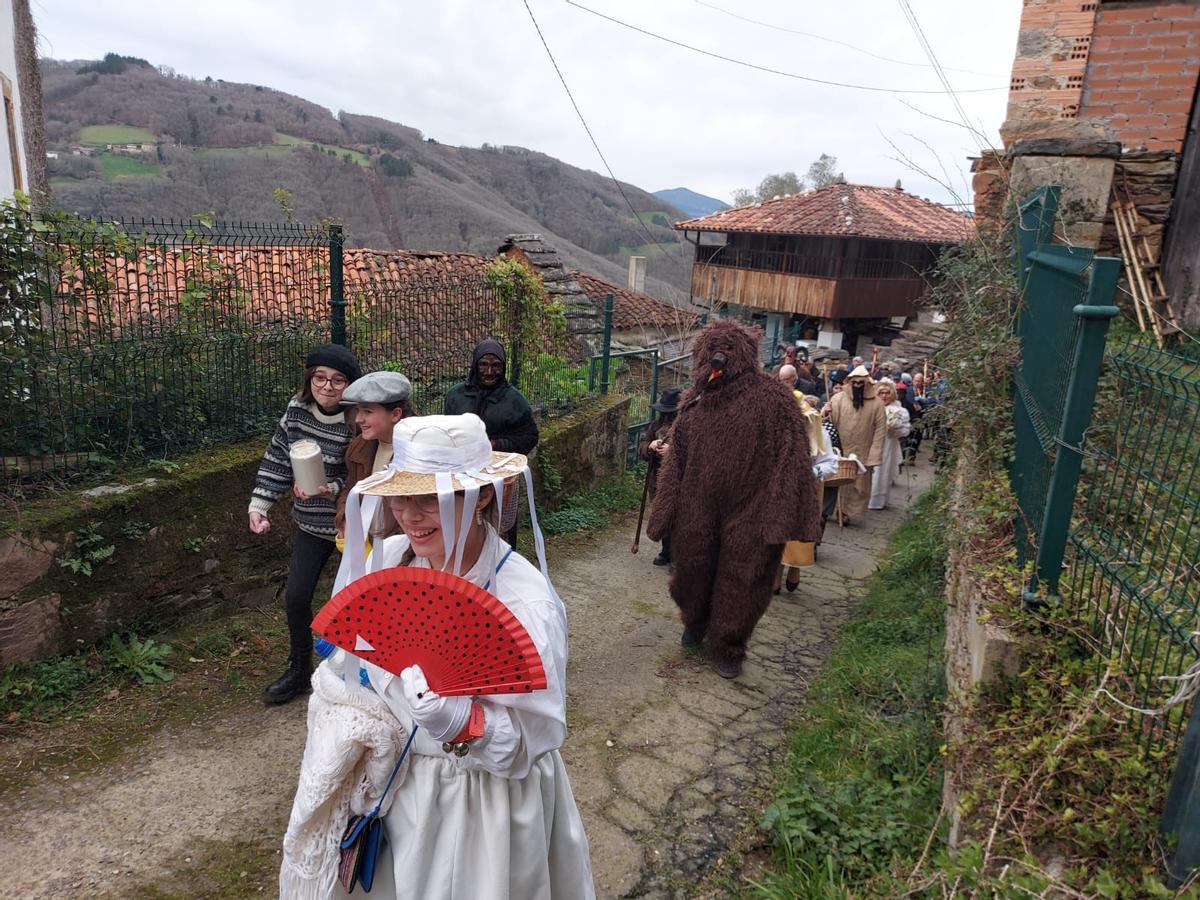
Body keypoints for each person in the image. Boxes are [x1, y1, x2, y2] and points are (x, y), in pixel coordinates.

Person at [280, 414, 595, 899]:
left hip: (482, 805)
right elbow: (348, 658)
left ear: (481, 495)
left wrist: (458, 721)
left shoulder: (523, 602)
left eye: (429, 497)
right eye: (401, 496)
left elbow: (534, 743)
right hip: (398, 788)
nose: (409, 515)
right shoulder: (388, 559)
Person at [647, 319, 821, 679]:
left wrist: (789, 515)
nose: (719, 357)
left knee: (744, 575)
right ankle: (695, 621)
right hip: (698, 503)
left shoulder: (774, 399)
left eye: (726, 350)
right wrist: (664, 511)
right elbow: (676, 455)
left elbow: (794, 456)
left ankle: (729, 644)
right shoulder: (696, 400)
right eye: (711, 350)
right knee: (692, 567)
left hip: (753, 506)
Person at [249, 343, 361, 705]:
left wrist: (335, 488)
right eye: (320, 378)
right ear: (309, 379)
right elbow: (279, 456)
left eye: (338, 380)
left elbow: (363, 470)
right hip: (311, 524)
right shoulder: (297, 411)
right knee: (297, 597)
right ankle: (299, 670)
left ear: (350, 384)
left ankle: (351, 675)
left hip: (351, 525)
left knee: (347, 604)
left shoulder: (357, 417)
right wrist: (260, 504)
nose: (327, 387)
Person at [443, 339, 538, 547]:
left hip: (499, 477)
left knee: (498, 528)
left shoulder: (514, 400)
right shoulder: (456, 395)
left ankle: (500, 567)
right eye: (483, 365)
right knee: (461, 523)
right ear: (475, 365)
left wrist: (494, 444)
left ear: (503, 367)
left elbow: (530, 437)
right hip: (461, 473)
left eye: (496, 366)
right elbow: (445, 430)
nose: (488, 371)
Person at [334, 371, 417, 542]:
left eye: (368, 412)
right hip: (367, 545)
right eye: (358, 410)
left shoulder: (420, 453)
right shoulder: (359, 447)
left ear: (395, 414)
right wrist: (345, 518)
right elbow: (350, 489)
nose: (358, 419)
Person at [778, 391, 839, 592]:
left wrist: (811, 472)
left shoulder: (819, 433)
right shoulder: (776, 430)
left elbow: (830, 463)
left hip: (807, 490)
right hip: (779, 488)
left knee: (799, 535)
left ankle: (795, 568)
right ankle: (774, 575)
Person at [827, 365, 887, 522]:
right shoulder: (838, 399)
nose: (858, 385)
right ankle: (836, 510)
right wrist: (825, 412)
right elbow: (828, 423)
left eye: (861, 382)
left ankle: (847, 512)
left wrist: (874, 455)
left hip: (863, 450)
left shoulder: (877, 404)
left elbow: (880, 431)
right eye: (855, 382)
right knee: (837, 480)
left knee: (858, 485)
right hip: (840, 448)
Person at [637, 386, 681, 567]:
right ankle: (667, 551)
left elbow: (696, 452)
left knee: (679, 517)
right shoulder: (656, 425)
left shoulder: (687, 426)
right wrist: (650, 446)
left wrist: (672, 451)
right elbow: (642, 446)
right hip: (657, 480)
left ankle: (679, 556)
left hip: (679, 481)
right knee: (662, 515)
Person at [868, 379, 911, 510]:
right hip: (870, 443)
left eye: (887, 393)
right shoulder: (871, 407)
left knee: (883, 471)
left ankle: (879, 501)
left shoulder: (898, 410)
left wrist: (894, 431)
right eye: (881, 393)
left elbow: (906, 430)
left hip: (888, 444)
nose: (884, 396)